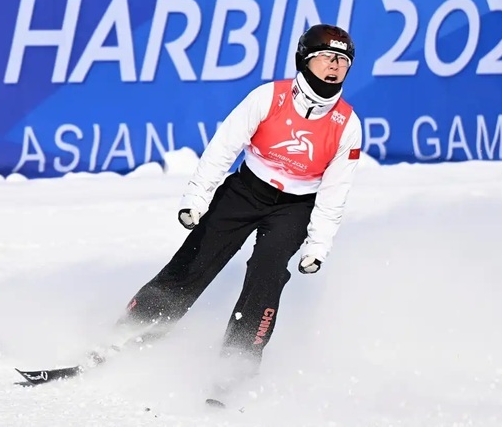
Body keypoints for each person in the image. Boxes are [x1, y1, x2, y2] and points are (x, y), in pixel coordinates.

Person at [111, 24, 363, 382]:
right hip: (246, 189)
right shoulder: (268, 97)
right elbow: (223, 147)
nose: (334, 65)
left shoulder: (347, 124)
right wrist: (197, 198)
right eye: (325, 56)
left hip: (294, 207)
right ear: (303, 61)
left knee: (266, 278)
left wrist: (319, 244)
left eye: (342, 59)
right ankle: (125, 333)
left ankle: (237, 367)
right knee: (195, 260)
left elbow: (337, 190)